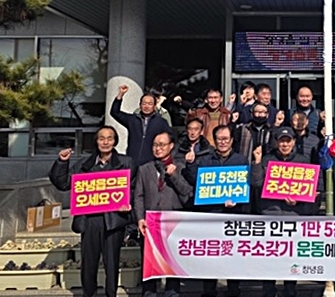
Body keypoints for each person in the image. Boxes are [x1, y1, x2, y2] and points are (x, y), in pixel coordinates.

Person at [49, 126, 133, 297]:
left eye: (109, 138)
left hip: (113, 220)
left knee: (112, 263)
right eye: (102, 138)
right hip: (89, 220)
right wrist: (62, 162)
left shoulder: (126, 162)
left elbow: (134, 187)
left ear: (115, 141)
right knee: (88, 264)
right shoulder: (84, 164)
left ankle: (111, 294)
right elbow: (62, 183)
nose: (105, 142)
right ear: (96, 141)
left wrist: (127, 204)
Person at [183, 125, 251, 297]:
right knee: (210, 255)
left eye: (225, 139)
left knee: (232, 255)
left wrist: (236, 200)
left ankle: (233, 290)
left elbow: (246, 187)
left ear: (232, 140)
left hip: (232, 216)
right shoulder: (205, 160)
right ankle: (209, 291)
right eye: (219, 139)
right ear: (214, 140)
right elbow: (195, 181)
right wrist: (190, 164)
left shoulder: (241, 160)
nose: (222, 142)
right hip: (211, 215)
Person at [251, 127, 318, 297]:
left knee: (291, 255)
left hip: (293, 215)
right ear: (276, 142)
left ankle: (290, 289)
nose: (285, 144)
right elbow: (256, 183)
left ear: (294, 142)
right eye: (282, 141)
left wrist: (298, 199)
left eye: (288, 141)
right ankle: (268, 290)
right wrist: (257, 162)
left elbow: (312, 190)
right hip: (270, 214)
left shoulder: (303, 161)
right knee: (269, 255)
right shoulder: (267, 160)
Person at [134, 131, 192, 297]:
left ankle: (172, 292)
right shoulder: (144, 169)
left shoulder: (180, 167)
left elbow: (187, 192)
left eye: (162, 145)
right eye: (155, 145)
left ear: (171, 146)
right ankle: (149, 292)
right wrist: (140, 218)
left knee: (172, 261)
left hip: (173, 221)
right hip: (151, 221)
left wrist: (173, 176)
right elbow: (138, 196)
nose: (158, 148)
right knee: (150, 261)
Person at [110, 85, 171, 167]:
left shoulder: (161, 122)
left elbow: (170, 140)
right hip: (132, 161)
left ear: (154, 106)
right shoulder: (132, 119)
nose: (146, 106)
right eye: (144, 104)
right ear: (140, 105)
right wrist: (120, 95)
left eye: (150, 104)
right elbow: (115, 112)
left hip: (151, 163)